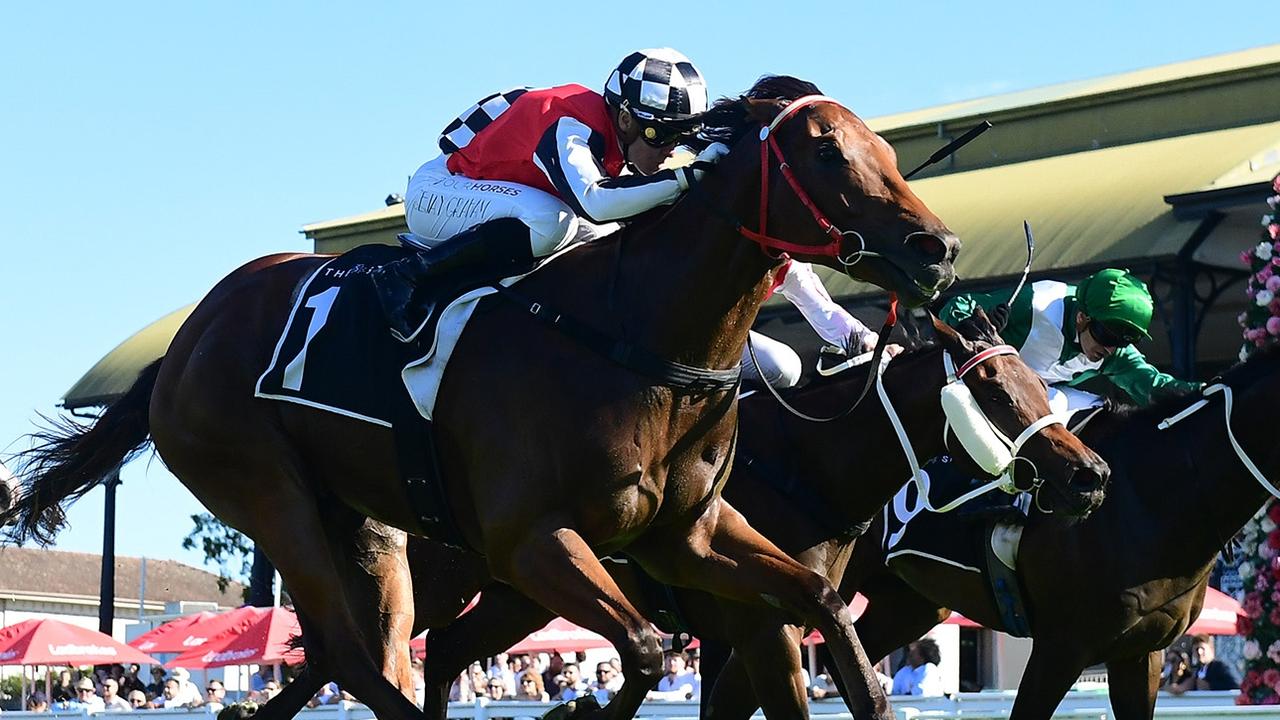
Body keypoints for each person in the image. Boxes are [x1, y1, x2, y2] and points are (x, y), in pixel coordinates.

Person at [370, 48, 721, 341]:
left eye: (682, 137)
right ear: (626, 119)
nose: (671, 151)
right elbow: (597, 202)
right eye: (662, 136)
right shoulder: (571, 122)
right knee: (553, 220)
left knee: (606, 233)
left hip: (480, 189)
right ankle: (408, 276)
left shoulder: (618, 125)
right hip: (438, 189)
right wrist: (685, 179)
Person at [941, 268, 1200, 413]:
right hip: (971, 393)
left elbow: (1151, 385)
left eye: (1123, 341)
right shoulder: (1032, 305)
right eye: (1107, 335)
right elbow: (958, 305)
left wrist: (1206, 391)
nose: (1110, 349)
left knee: (1102, 414)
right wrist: (976, 327)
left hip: (1029, 397)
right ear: (1082, 318)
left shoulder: (1114, 352)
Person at [1167, 634, 1240, 693]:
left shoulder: (1219, 667)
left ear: (1211, 649)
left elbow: (1234, 686)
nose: (1199, 652)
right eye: (1196, 649)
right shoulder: (1197, 670)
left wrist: (1211, 687)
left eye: (1202, 648)